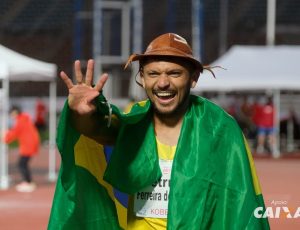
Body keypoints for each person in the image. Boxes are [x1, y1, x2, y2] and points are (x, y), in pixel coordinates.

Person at [49, 33, 270, 229]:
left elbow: (240, 199)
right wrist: (81, 114)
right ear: (142, 78)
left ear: (193, 78)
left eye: (174, 73)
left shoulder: (219, 129)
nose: (162, 83)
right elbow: (99, 131)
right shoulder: (133, 121)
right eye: (153, 74)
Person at [3, 105, 40, 192]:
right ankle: (28, 182)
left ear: (15, 113)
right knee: (23, 164)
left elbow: (15, 132)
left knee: (21, 164)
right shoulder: (24, 119)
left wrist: (5, 138)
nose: (11, 116)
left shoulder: (21, 121)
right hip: (29, 144)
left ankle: (28, 182)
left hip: (28, 145)